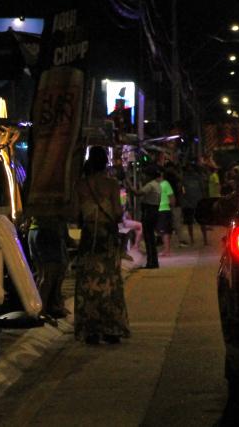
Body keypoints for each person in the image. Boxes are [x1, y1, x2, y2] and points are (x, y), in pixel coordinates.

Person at [72, 146, 130, 344]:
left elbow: (73, 214)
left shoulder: (80, 185)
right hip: (107, 240)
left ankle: (90, 329)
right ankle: (111, 328)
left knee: (89, 283)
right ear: (105, 162)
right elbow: (117, 213)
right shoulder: (112, 185)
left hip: (89, 239)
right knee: (110, 282)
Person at [26, 215, 69, 318]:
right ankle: (42, 310)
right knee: (49, 275)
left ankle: (39, 307)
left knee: (41, 274)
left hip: (34, 230)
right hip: (49, 230)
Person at [128, 166, 161, 269]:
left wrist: (129, 185)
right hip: (154, 211)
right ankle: (153, 261)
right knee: (150, 237)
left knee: (148, 237)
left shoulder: (150, 185)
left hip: (149, 212)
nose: (143, 176)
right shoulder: (157, 185)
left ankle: (151, 262)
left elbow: (138, 193)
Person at [181, 163, 208, 246]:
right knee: (190, 222)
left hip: (197, 202)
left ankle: (204, 239)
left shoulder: (197, 178)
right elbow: (183, 191)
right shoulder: (185, 178)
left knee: (201, 222)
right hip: (189, 203)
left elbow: (203, 189)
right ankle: (193, 239)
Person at [158, 168, 177, 257]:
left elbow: (171, 197)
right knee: (163, 230)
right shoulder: (158, 184)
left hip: (164, 209)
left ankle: (167, 250)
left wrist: (172, 207)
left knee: (165, 231)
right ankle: (166, 249)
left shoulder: (165, 184)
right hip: (161, 209)